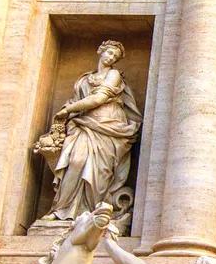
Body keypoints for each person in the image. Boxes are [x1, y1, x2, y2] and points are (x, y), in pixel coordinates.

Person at [40, 42, 141, 222]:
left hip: (108, 125)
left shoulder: (114, 74)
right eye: (109, 53)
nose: (111, 58)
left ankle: (92, 213)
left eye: (115, 57)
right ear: (100, 51)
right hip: (83, 125)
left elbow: (99, 98)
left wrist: (69, 110)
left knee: (101, 171)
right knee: (76, 161)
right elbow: (76, 100)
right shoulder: (85, 79)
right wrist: (68, 111)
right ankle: (62, 210)